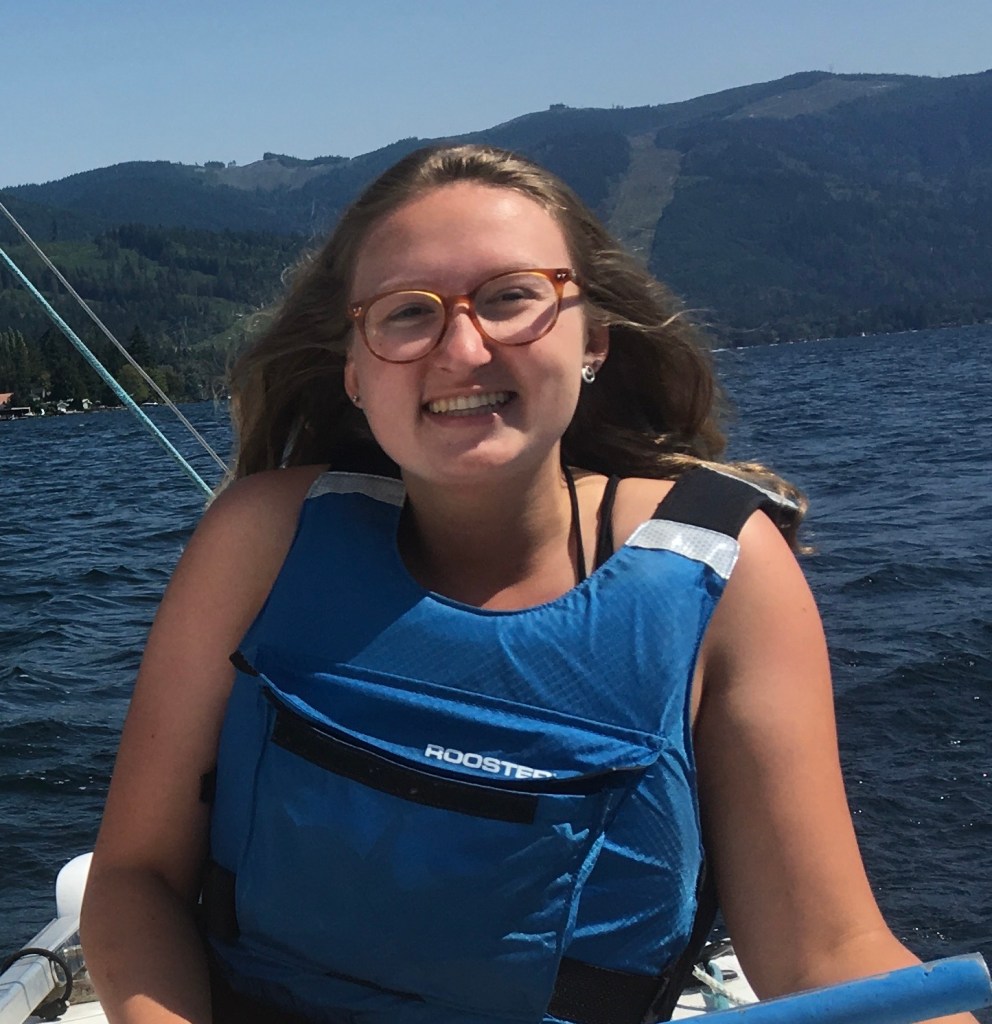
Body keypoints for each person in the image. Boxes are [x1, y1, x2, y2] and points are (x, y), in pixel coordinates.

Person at [80, 144, 978, 1024]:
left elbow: (826, 954)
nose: (463, 348)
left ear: (594, 339)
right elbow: (135, 876)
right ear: (354, 370)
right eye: (407, 313)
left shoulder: (721, 578)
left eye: (512, 298)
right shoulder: (261, 538)